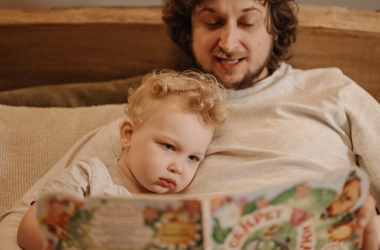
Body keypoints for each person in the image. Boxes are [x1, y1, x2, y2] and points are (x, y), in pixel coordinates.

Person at [1, 0, 380, 249]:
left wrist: (373, 238)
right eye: (211, 21)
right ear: (188, 30)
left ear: (274, 28)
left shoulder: (332, 90)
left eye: (246, 21)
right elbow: (22, 223)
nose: (228, 42)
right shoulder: (153, 118)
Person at [16, 69, 229, 250]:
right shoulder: (90, 176)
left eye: (192, 157)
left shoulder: (174, 209)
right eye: (168, 147)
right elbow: (30, 227)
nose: (178, 167)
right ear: (128, 134)